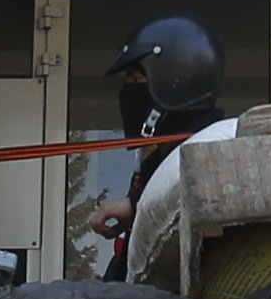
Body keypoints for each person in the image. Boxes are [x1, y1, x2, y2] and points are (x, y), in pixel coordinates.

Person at [69, 16, 230, 283]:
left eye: (136, 78)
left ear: (174, 79)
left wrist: (136, 205)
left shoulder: (213, 145)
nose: (128, 91)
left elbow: (207, 206)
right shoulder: (161, 154)